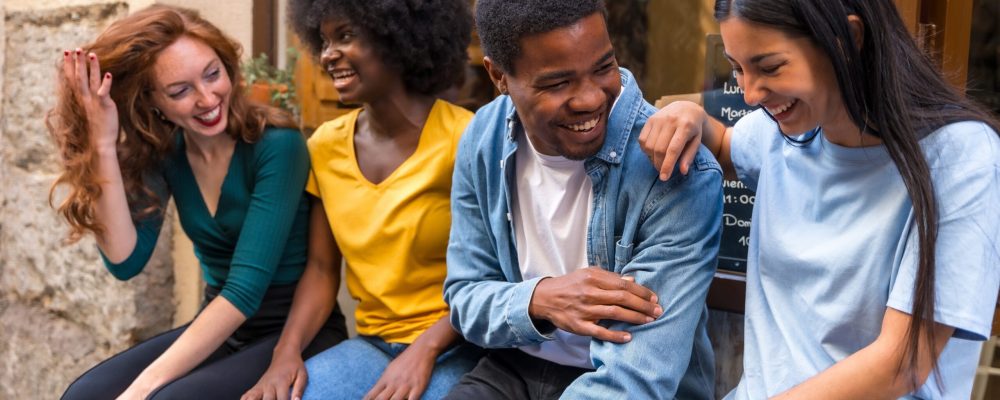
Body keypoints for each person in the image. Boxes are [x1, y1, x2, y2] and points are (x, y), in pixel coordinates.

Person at [639, 0, 1000, 398]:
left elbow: (902, 362)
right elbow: (725, 144)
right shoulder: (783, 131)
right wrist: (691, 117)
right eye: (738, 68)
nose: (750, 95)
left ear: (848, 39)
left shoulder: (960, 157)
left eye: (770, 67)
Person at [49, 5, 347, 399]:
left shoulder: (277, 145)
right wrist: (102, 142)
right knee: (84, 394)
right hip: (223, 329)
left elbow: (244, 290)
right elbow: (125, 261)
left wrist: (141, 389)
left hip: (293, 329)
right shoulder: (167, 152)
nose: (207, 98)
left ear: (228, 68)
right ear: (153, 100)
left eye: (212, 75)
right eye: (180, 91)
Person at [443, 0, 724, 398]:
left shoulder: (675, 171)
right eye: (558, 83)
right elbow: (464, 297)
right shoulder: (483, 139)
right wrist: (539, 299)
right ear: (499, 76)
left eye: (603, 67)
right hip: (513, 367)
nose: (591, 99)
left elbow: (636, 378)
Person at [241, 1, 482, 399]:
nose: (327, 54)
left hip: (459, 345)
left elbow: (496, 276)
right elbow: (321, 270)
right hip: (371, 346)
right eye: (323, 40)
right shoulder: (325, 147)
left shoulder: (465, 138)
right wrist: (285, 355)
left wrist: (424, 350)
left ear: (397, 35)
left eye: (346, 36)